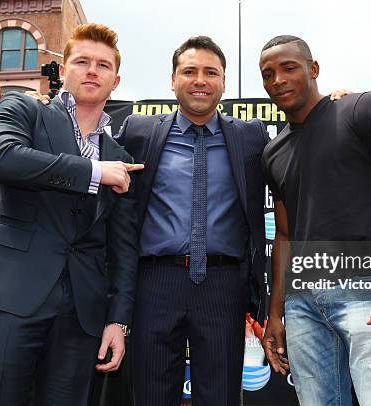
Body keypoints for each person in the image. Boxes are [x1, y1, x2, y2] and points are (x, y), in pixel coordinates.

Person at [0, 23, 142, 406]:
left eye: (103, 65)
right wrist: (94, 171)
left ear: (116, 80)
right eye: (82, 61)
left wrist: (117, 321)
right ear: (64, 69)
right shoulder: (23, 108)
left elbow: (123, 249)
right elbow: (3, 159)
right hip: (13, 292)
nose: (92, 71)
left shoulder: (121, 159)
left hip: (82, 312)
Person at [259, 35, 371, 405]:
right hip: (302, 303)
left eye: (289, 68)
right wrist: (276, 313)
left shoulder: (358, 108)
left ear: (313, 69)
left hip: (367, 289)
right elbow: (284, 234)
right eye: (268, 74)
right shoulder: (273, 150)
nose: (278, 80)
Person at [117, 36, 269, 406]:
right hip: (154, 283)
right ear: (172, 80)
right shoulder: (140, 132)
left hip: (223, 285)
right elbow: (85, 146)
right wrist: (50, 108)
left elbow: (303, 141)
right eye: (189, 71)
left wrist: (333, 105)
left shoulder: (250, 136)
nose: (200, 80)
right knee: (150, 396)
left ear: (223, 82)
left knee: (219, 397)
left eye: (210, 72)